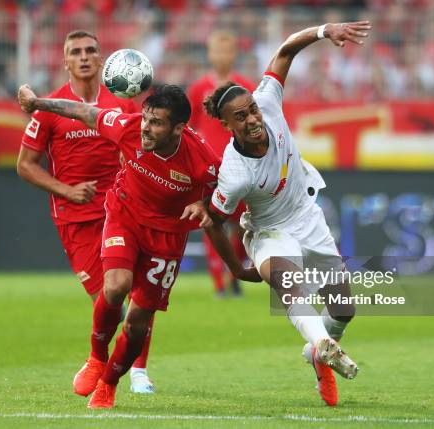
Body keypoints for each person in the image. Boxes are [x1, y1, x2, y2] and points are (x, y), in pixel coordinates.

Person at [17, 82, 260, 409]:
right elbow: (83, 112)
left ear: (178, 129)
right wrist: (37, 103)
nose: (146, 127)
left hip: (168, 237)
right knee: (116, 287)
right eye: (146, 118)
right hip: (124, 215)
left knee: (137, 323)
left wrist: (229, 254)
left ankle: (109, 383)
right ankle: (95, 358)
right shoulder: (129, 128)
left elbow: (220, 211)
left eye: (156, 122)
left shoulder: (205, 163)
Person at [203, 21, 372, 407]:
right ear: (227, 125)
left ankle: (321, 350)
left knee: (344, 308)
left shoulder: (268, 102)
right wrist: (234, 266)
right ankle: (321, 344)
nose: (253, 120)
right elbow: (214, 221)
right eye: (241, 118)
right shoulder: (234, 175)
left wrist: (326, 30)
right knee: (287, 281)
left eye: (252, 111)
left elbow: (285, 52)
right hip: (268, 231)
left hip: (305, 217)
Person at [16, 30, 154, 395]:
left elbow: (138, 151)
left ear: (102, 58)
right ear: (65, 61)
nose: (83, 56)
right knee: (109, 301)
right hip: (76, 217)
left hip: (122, 211)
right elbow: (26, 165)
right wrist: (67, 190)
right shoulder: (50, 108)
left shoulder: (120, 102)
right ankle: (107, 362)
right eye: (75, 52)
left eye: (91, 50)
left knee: (138, 293)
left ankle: (137, 371)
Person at [188, 30, 256, 298]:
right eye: (217, 51)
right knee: (211, 221)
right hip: (209, 168)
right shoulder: (198, 89)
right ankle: (219, 282)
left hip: (240, 164)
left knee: (242, 224)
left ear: (234, 54)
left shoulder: (243, 86)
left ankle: (234, 272)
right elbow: (189, 128)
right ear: (210, 54)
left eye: (227, 51)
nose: (222, 56)